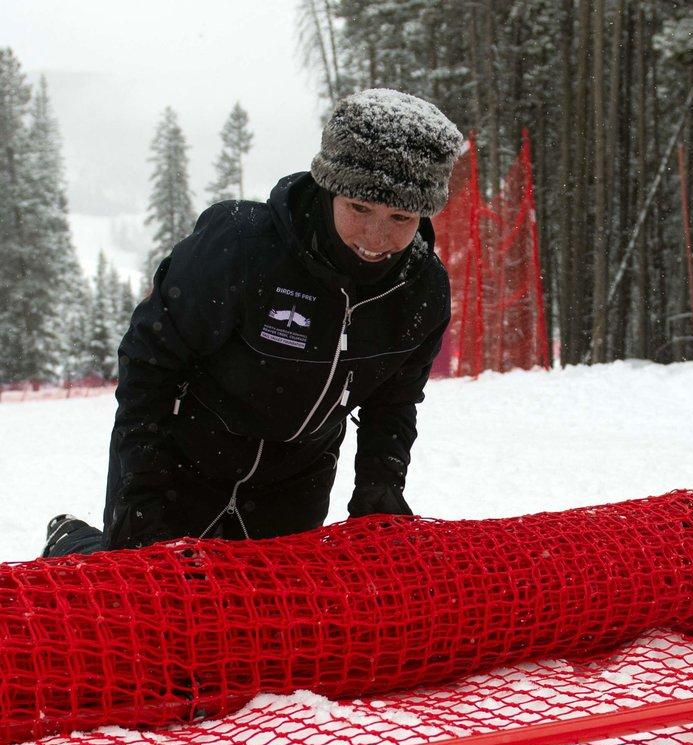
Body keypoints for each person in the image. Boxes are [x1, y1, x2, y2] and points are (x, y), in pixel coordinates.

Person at [43, 89, 463, 558]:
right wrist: (141, 496)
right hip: (184, 462)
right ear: (328, 189)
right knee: (148, 609)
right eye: (359, 208)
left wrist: (379, 491)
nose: (375, 237)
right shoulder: (242, 247)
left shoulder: (420, 293)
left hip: (296, 479)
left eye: (400, 216)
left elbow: (393, 401)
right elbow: (149, 362)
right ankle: (73, 544)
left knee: (266, 623)